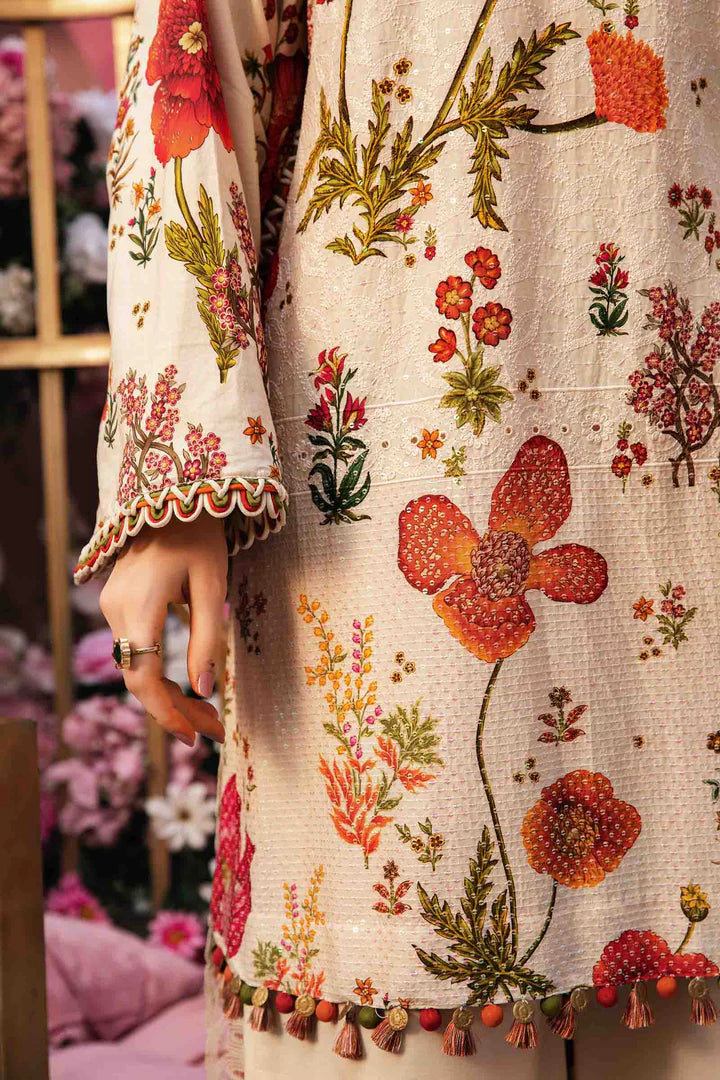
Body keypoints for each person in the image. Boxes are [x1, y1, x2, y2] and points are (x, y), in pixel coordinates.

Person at [76, 0, 720, 1076]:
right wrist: (181, 458)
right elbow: (200, 40)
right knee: (405, 953)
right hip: (382, 449)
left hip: (684, 440)